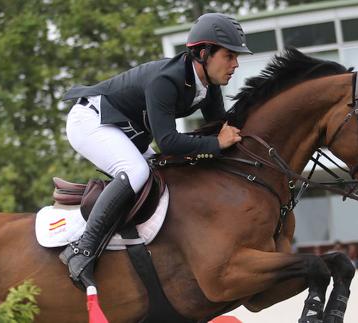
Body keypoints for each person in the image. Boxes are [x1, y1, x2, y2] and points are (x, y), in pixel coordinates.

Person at [59, 13, 252, 290]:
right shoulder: (167, 79)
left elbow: (218, 127)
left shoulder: (208, 84)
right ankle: (82, 250)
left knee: (167, 174)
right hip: (90, 120)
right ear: (203, 53)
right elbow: (169, 143)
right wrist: (216, 145)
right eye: (229, 56)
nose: (235, 64)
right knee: (135, 170)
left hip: (126, 130)